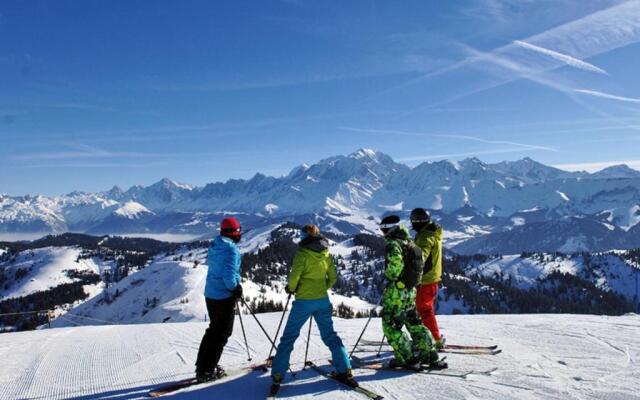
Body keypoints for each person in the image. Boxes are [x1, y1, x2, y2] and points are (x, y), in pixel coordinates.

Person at [271, 224, 355, 391]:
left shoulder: (302, 253)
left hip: (303, 301)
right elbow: (333, 277)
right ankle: (345, 370)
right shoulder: (326, 253)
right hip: (322, 300)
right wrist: (323, 288)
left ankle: (278, 375)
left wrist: (292, 288)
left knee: (289, 337)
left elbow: (294, 276)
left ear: (306, 236)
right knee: (330, 336)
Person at [379, 214, 446, 370]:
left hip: (398, 292)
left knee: (391, 325)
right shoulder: (410, 242)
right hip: (411, 290)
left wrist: (389, 276)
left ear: (389, 229)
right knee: (415, 323)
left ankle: (406, 357)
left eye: (383, 229)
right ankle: (429, 355)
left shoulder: (394, 245)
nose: (382, 232)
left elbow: (394, 270)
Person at [195, 216, 244, 383]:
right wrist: (235, 288)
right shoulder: (231, 250)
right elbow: (229, 275)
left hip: (211, 294)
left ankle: (202, 366)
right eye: (239, 231)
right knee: (222, 333)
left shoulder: (215, 245)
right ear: (234, 232)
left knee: (213, 330)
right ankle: (207, 371)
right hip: (223, 296)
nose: (240, 234)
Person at [410, 208, 445, 350]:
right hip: (431, 278)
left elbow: (421, 257)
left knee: (423, 310)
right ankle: (429, 338)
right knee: (424, 310)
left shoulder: (425, 237)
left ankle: (433, 340)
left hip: (425, 280)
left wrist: (409, 266)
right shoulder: (432, 233)